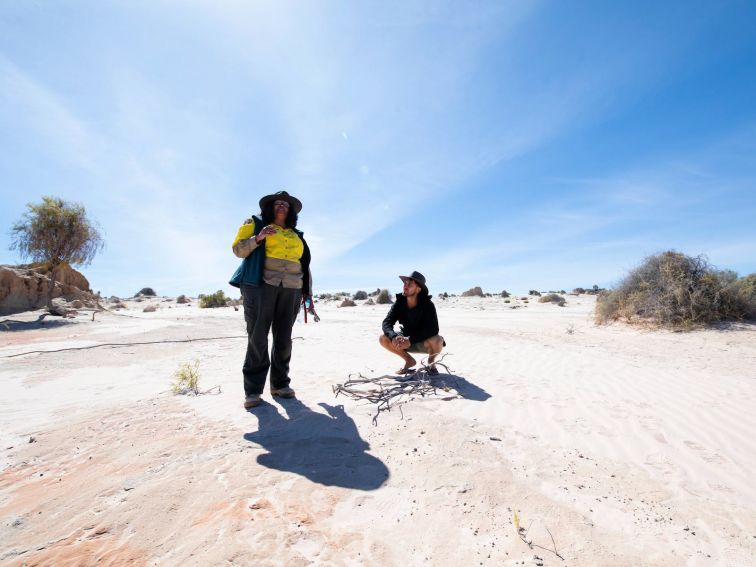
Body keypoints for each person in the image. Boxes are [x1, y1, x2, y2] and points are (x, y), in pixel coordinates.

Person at [229, 191, 313, 409]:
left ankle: (280, 385)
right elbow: (238, 250)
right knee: (258, 337)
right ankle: (253, 391)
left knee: (284, 338)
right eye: (277, 203)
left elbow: (304, 263)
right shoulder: (254, 223)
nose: (282, 206)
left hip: (292, 288)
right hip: (261, 286)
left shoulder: (297, 234)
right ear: (269, 208)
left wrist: (307, 290)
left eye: (286, 204)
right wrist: (258, 238)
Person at [379, 270, 445, 375]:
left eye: (410, 284)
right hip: (404, 342)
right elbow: (387, 322)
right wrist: (393, 336)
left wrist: (410, 339)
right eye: (405, 283)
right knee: (383, 338)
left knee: (438, 339)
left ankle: (431, 363)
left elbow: (433, 329)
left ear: (418, 289)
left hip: (423, 342)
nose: (406, 285)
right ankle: (409, 361)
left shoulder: (427, 305)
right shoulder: (400, 303)